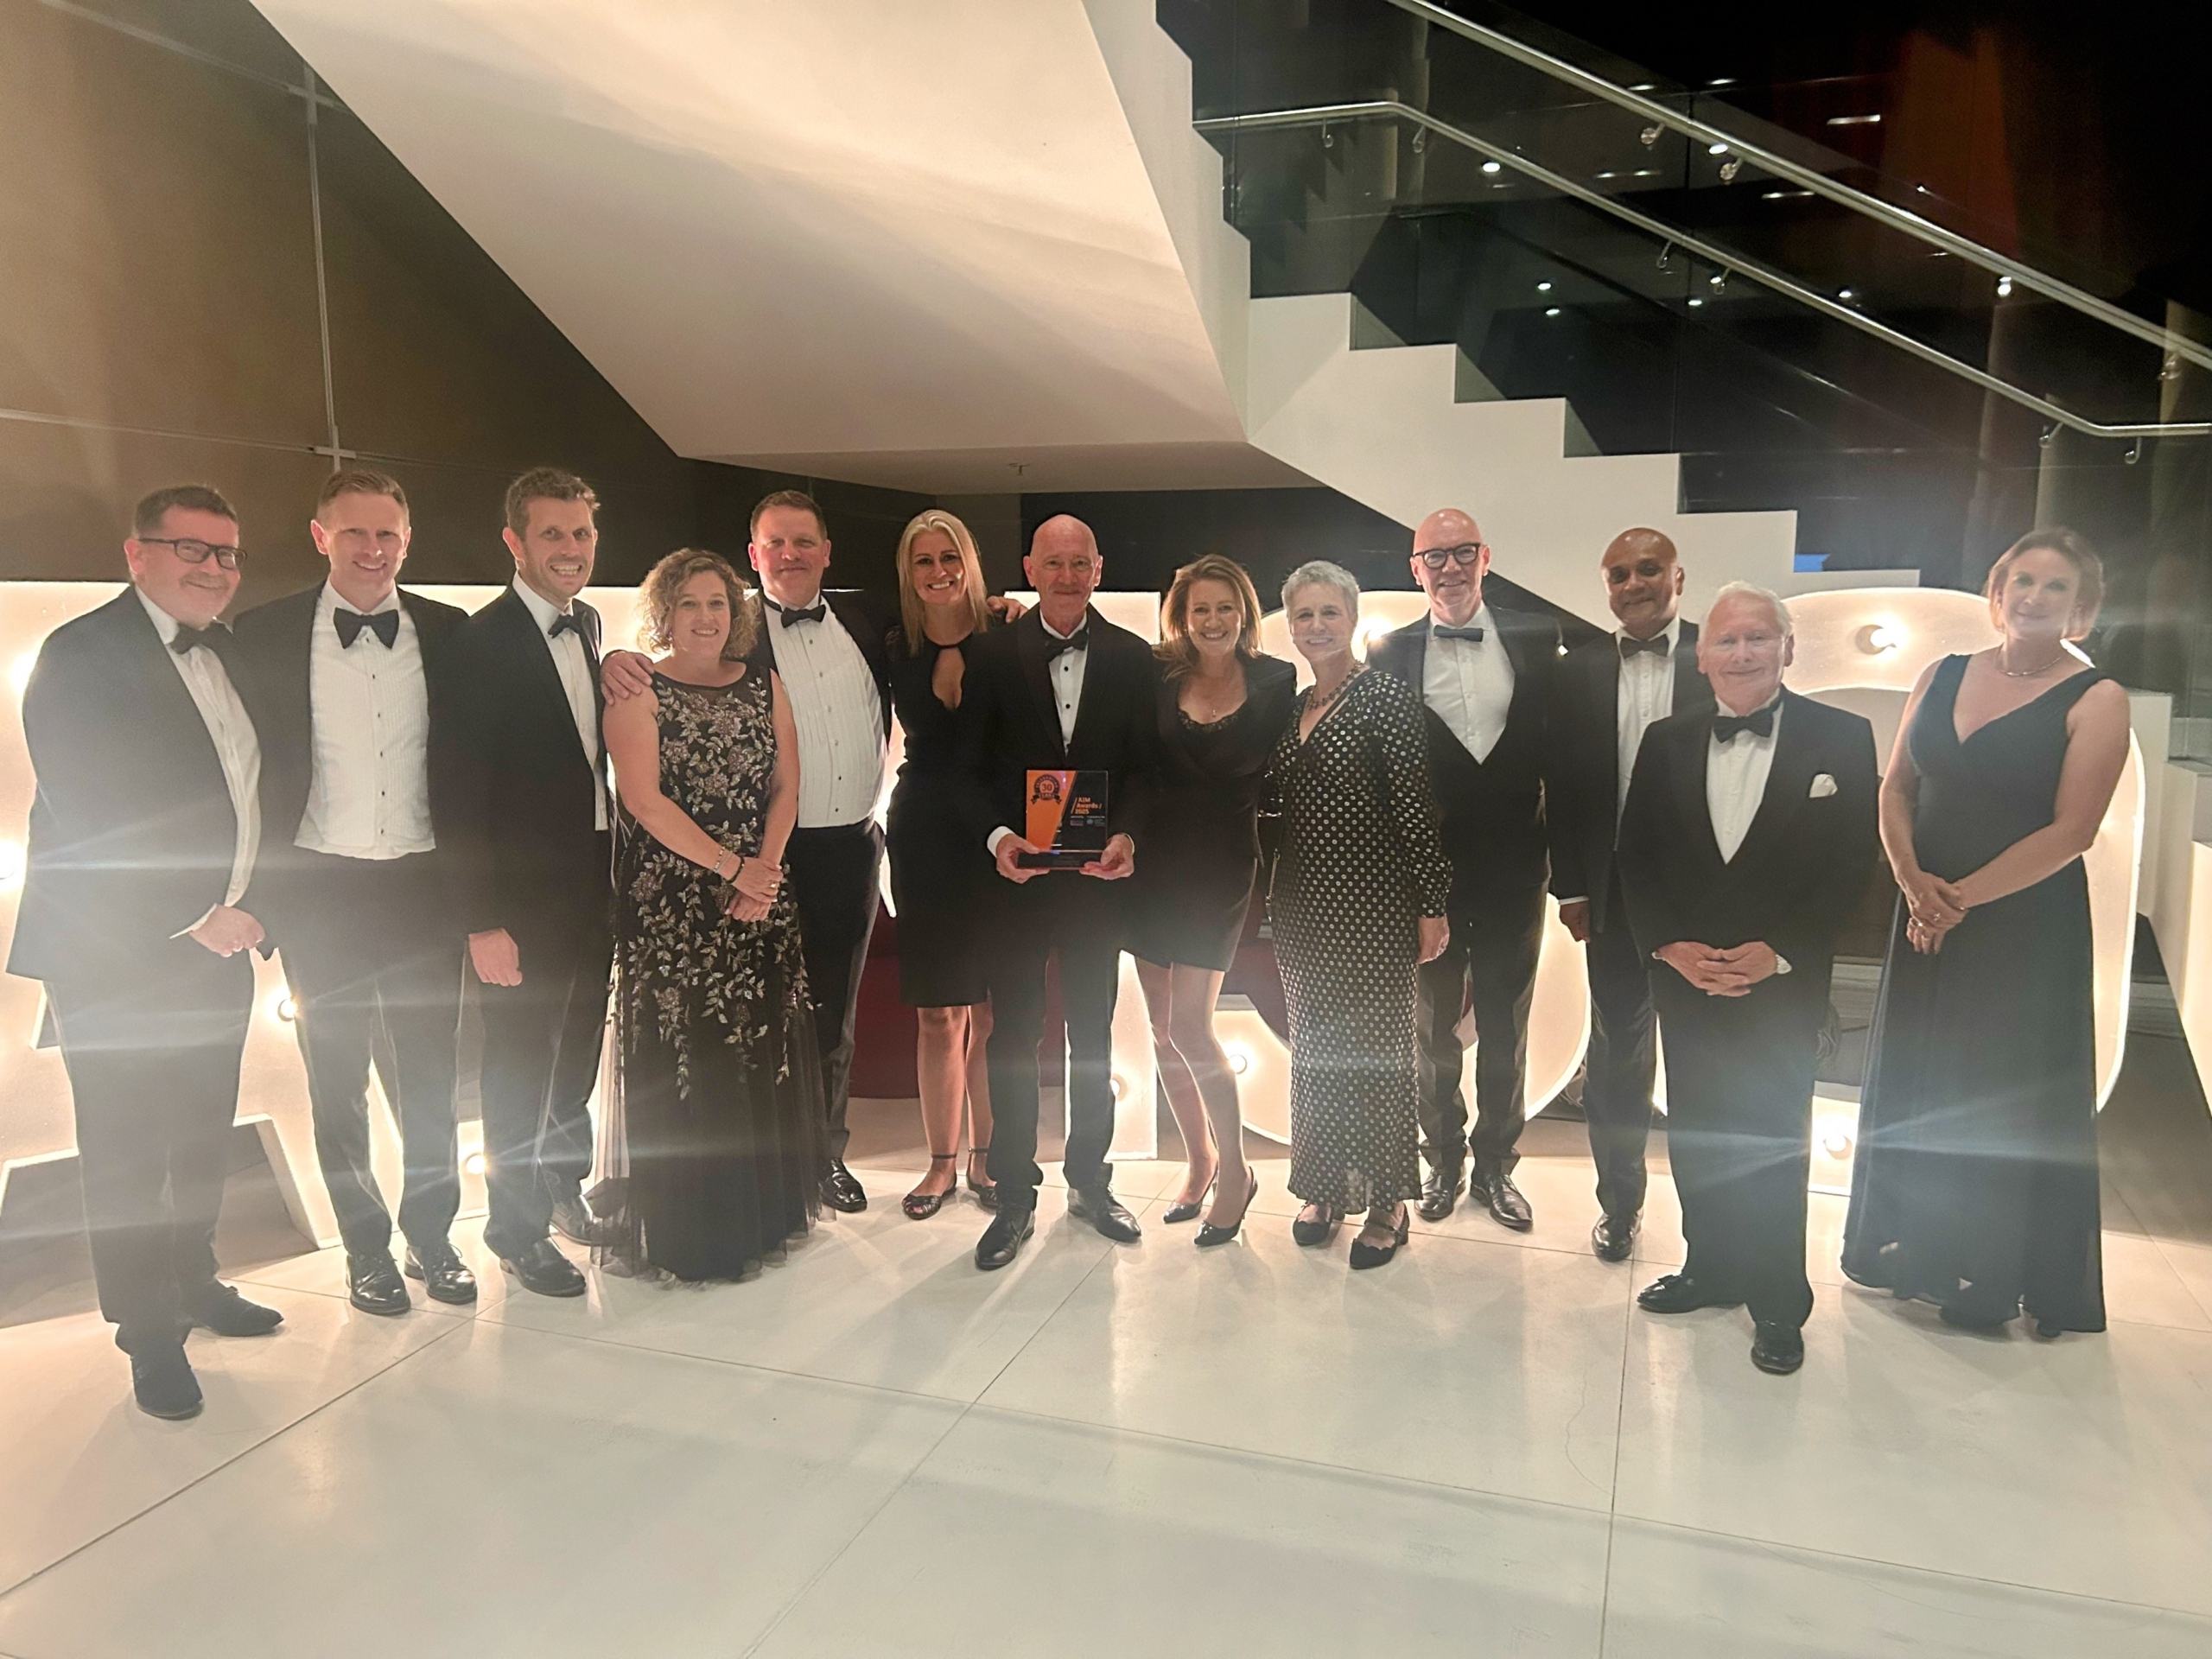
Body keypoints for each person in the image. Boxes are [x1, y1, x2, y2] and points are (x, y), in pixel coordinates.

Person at [7, 485, 282, 1419]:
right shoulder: (80, 654)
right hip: (117, 951)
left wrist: (254, 901)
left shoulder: (228, 650)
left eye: (227, 553)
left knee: (202, 1128)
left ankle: (194, 1280)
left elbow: (253, 787)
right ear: (138, 554)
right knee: (126, 1146)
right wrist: (196, 913)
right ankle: (147, 1330)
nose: (213, 568)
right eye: (191, 549)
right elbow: (90, 803)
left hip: (223, 940)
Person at [1843, 529, 2129, 1338]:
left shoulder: (2098, 697)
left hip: (2022, 927)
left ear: (2082, 607)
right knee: (1921, 1079)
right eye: (2022, 581)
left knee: (1997, 1096)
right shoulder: (1940, 673)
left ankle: (1989, 1274)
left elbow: (2073, 831)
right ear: (1997, 594)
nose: (2035, 597)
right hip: (1925, 913)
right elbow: (1896, 789)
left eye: (2056, 586)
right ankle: (1911, 1253)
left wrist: (1956, 901)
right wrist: (1912, 884)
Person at [607, 491, 893, 1217]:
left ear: (827, 551)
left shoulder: (868, 619)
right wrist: (613, 657)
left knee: (830, 1013)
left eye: (804, 541)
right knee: (741, 1022)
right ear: (754, 557)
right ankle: (732, 1179)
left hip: (850, 846)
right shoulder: (733, 635)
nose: (791, 555)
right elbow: (658, 691)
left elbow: (942, 629)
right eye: (775, 544)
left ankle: (822, 1157)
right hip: (756, 859)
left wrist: (1000, 611)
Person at [1616, 583, 1878, 1376]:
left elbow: (1854, 865)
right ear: (1701, 656)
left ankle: (1777, 1300)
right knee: (1698, 1133)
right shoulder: (1665, 739)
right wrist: (1670, 947)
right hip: (1688, 978)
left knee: (1772, 1140)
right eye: (1726, 641)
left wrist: (1781, 951)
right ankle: (1709, 1267)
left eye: (1758, 638)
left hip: (1781, 983)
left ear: (1787, 648)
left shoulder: (1844, 737)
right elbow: (1637, 856)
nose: (1742, 653)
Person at [230, 470, 475, 1317]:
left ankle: (432, 1237)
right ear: (320, 536)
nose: (373, 550)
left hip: (422, 885)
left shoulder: (451, 633)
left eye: (388, 535)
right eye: (355, 534)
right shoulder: (261, 634)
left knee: (431, 1078)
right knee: (334, 1084)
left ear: (408, 540)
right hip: (320, 888)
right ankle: (365, 1250)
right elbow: (238, 767)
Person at [593, 550, 825, 1279]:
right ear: (664, 614)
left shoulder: (763, 683)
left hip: (760, 895)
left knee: (757, 1052)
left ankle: (762, 1217)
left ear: (735, 614)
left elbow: (787, 785)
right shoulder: (638, 689)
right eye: (688, 604)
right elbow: (643, 801)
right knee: (689, 1056)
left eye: (717, 603)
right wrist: (734, 869)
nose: (704, 617)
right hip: (674, 905)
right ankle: (694, 1233)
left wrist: (766, 873)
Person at [963, 515, 1157, 1271]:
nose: (1068, 576)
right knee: (1013, 1037)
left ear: (1098, 570)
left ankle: (1090, 1182)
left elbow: (1146, 767)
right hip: (1017, 880)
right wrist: (997, 839)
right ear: (1030, 569)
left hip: (1097, 884)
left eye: (1080, 563)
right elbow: (967, 769)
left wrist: (1128, 835)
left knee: (1093, 1037)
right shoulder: (989, 654)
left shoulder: (1133, 657)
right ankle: (1013, 1193)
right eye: (1054, 563)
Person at [1368, 509, 1560, 1233]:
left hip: (1517, 867)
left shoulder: (1538, 638)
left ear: (1486, 558)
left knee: (1508, 1025)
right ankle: (1442, 1160)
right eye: (1434, 556)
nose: (1449, 567)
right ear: (1415, 570)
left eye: (1462, 553)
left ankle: (1496, 1167)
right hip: (1429, 876)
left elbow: (1563, 756)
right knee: (1432, 1028)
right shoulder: (1388, 653)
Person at [446, 467, 613, 1299]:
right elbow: (458, 792)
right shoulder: (479, 642)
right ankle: (513, 1229)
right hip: (518, 901)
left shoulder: (590, 625)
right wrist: (481, 919)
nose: (570, 548)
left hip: (593, 882)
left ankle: (562, 1187)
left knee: (575, 1052)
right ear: (514, 542)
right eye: (553, 534)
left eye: (581, 533)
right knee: (517, 1064)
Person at [1267, 562, 1452, 1270]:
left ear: (1351, 617)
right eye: (1304, 614)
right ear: (1290, 626)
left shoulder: (1384, 699)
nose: (1316, 626)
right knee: (1315, 1053)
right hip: (1301, 906)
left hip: (1375, 904)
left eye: (1329, 612)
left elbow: (1415, 808)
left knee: (1379, 1056)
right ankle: (1323, 1189)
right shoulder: (1292, 708)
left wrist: (1432, 903)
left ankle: (1386, 1203)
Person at [1548, 527, 1713, 1262]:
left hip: (1705, 895)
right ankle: (1620, 1206)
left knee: (1705, 1058)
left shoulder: (1720, 653)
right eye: (1618, 574)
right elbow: (1565, 786)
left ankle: (1715, 1224)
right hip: (1611, 894)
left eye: (1648, 569)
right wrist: (1571, 888)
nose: (1633, 584)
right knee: (1618, 1057)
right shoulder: (1577, 669)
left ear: (1678, 577)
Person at [1130, 556, 1297, 1246]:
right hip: (1152, 866)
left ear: (1244, 612)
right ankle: (1198, 1163)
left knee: (1192, 1028)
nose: (1213, 620)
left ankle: (1237, 1171)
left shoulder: (1276, 681)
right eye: (1200, 608)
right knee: (1162, 1028)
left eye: (1225, 606)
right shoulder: (1158, 673)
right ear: (1182, 616)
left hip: (1222, 867)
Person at [882, 510, 998, 1220]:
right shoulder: (893, 642)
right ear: (909, 572)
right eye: (922, 560)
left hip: (996, 834)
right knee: (937, 1010)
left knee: (990, 1007)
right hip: (923, 830)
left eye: (948, 557)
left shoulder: (1006, 633)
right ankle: (940, 1163)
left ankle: (987, 1158)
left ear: (968, 563)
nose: (937, 572)